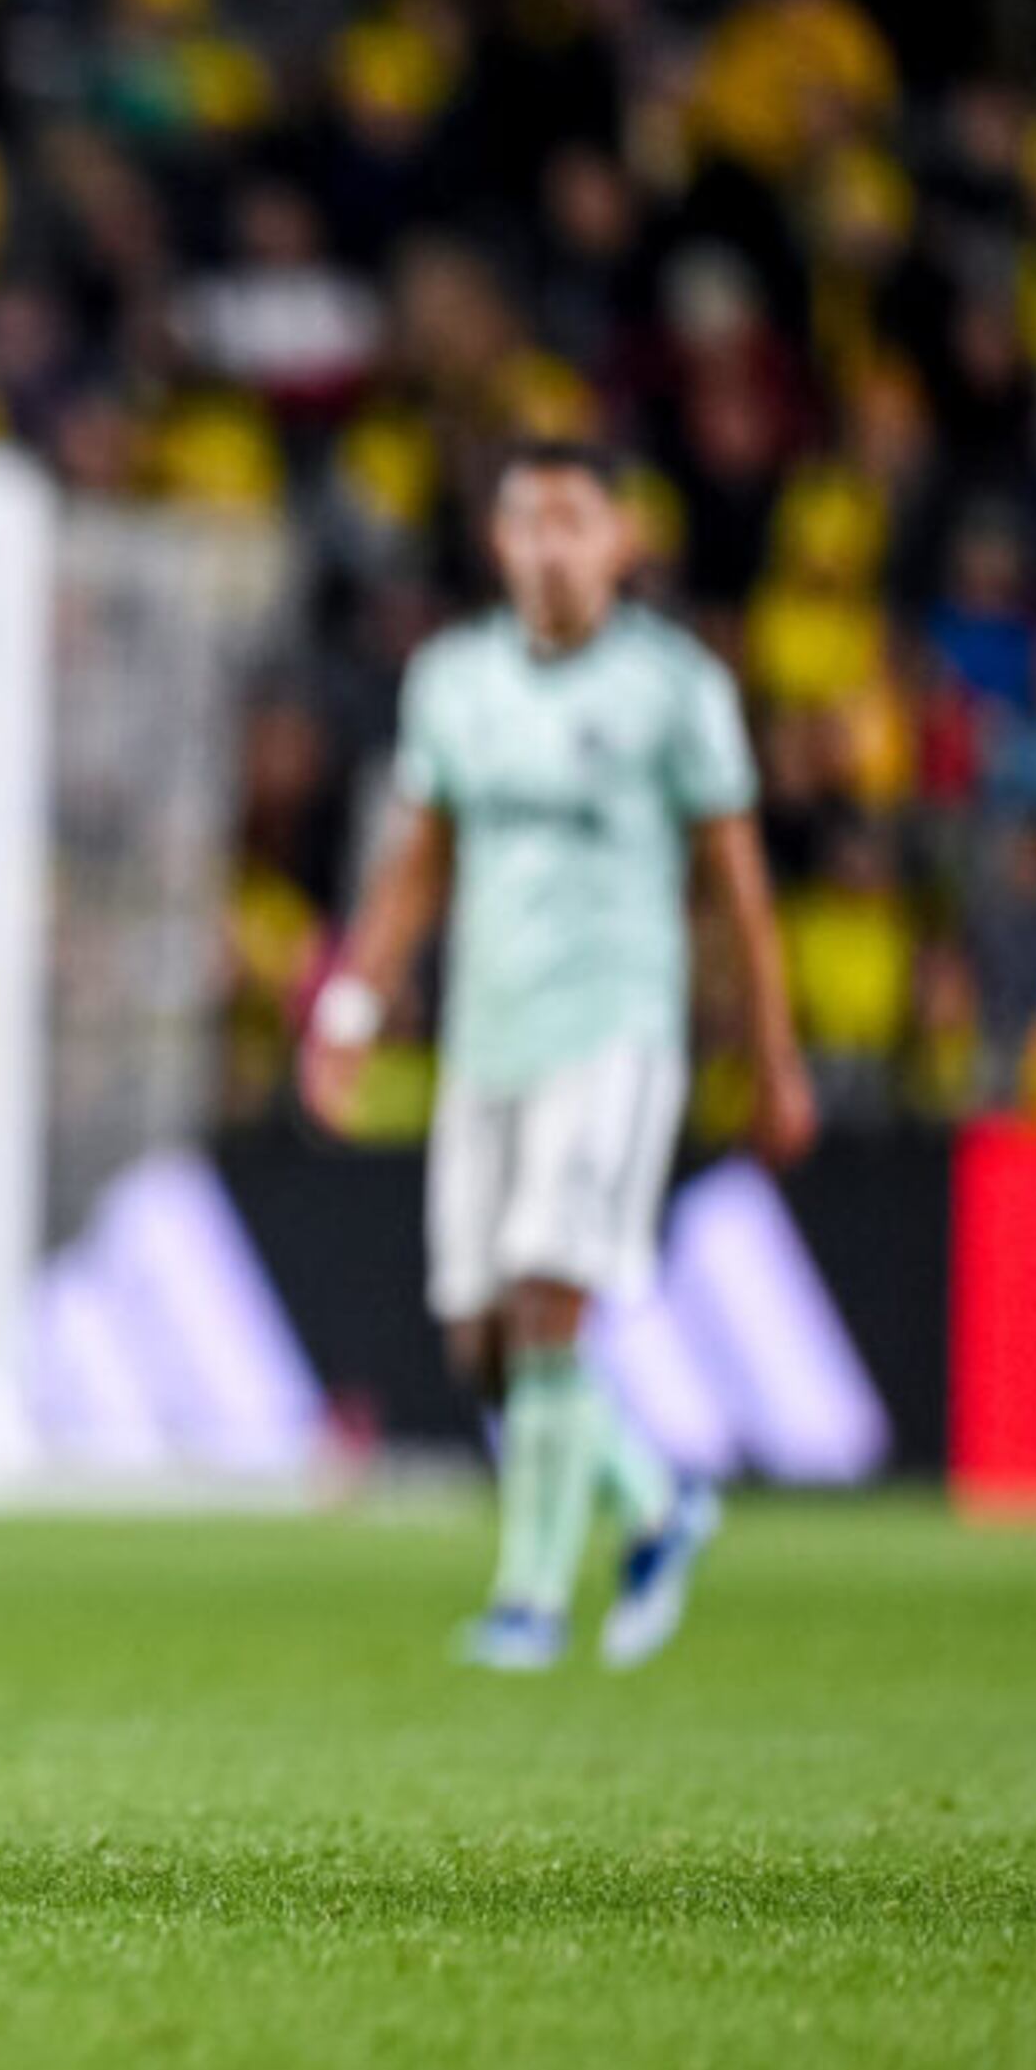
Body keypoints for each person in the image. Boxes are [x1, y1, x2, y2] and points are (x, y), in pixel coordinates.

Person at [303, 440, 816, 1671]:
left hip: (618, 1035)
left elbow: (738, 884)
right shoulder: (455, 679)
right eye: (527, 520)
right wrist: (349, 1011)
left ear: (621, 539)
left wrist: (777, 1052)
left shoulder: (675, 686)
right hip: (491, 1042)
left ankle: (528, 1602)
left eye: (574, 519)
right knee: (481, 1345)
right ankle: (654, 1498)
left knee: (544, 1300)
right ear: (498, 543)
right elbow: (419, 859)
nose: (549, 544)